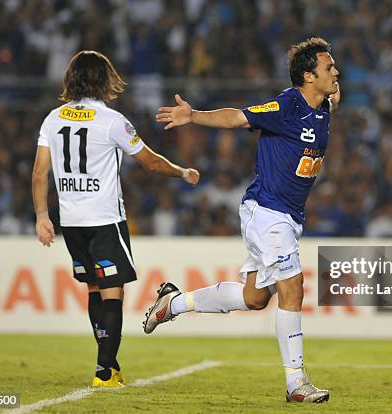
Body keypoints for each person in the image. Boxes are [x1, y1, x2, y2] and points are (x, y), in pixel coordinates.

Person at [143, 37, 339, 403]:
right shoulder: (288, 104)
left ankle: (174, 303)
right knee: (292, 286)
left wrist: (333, 96)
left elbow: (331, 100)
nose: (336, 72)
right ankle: (296, 383)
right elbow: (238, 117)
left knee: (254, 299)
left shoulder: (324, 104)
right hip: (266, 211)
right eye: (329, 67)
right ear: (308, 76)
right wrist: (193, 116)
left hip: (288, 217)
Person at [32, 50, 200, 388]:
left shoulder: (53, 118)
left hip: (72, 221)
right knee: (112, 292)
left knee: (95, 288)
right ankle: (105, 370)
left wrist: (41, 216)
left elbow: (39, 172)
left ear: (72, 80)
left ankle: (107, 365)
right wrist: (183, 172)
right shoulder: (110, 120)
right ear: (105, 80)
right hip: (104, 218)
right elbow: (150, 162)